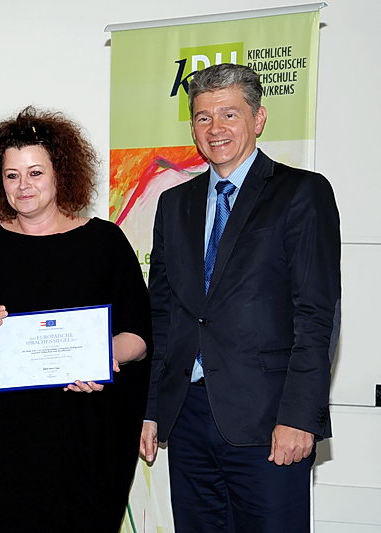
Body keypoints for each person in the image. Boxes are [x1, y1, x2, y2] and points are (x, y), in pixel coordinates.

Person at [139, 63, 340, 532]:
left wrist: (299, 418)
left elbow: (316, 315)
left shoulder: (301, 193)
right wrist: (149, 410)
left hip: (270, 422)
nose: (216, 128)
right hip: (187, 420)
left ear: (258, 118)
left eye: (229, 114)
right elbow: (162, 315)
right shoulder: (174, 204)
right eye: (203, 117)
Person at [0, 107, 152, 531]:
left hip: (85, 443)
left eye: (35, 173)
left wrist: (101, 356)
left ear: (61, 173)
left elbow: (138, 336)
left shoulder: (104, 242)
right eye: (12, 175)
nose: (23, 186)